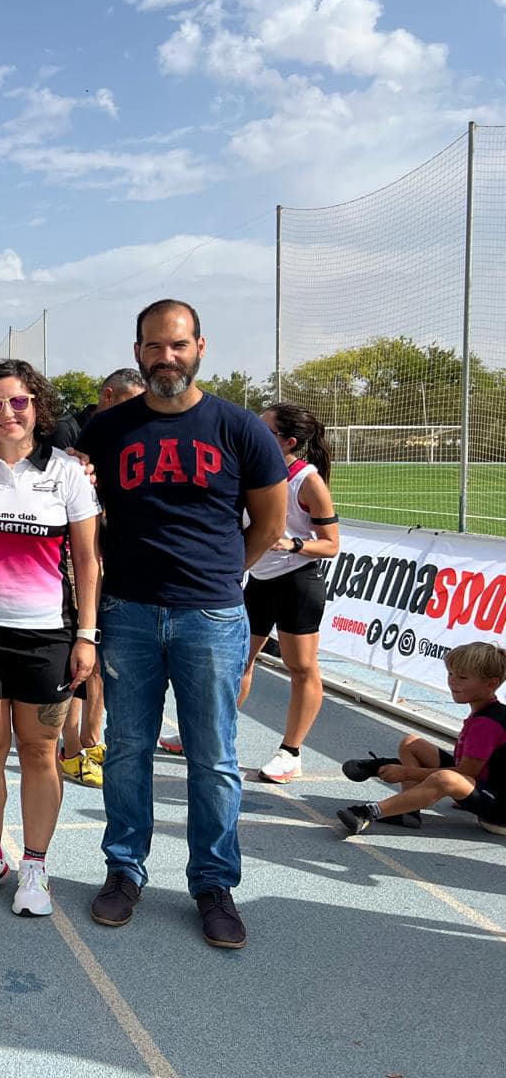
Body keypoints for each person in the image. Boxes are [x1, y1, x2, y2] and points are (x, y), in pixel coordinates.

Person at [75, 299, 286, 949]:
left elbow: (270, 525)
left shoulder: (238, 428)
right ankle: (124, 870)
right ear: (139, 351)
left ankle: (214, 883)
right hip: (129, 614)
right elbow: (78, 500)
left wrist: (221, 577)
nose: (166, 357)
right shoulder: (108, 432)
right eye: (154, 346)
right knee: (129, 749)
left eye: (178, 345)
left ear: (200, 347)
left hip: (212, 616)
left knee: (214, 759)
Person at [0, 360, 100, 917]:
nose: (7, 412)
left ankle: (34, 863)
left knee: (39, 752)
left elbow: (87, 559)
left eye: (19, 402)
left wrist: (86, 634)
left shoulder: (67, 473)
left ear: (38, 407)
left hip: (46, 638)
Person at [233, 403, 340, 783]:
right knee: (237, 662)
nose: (254, 435)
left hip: (297, 582)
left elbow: (331, 545)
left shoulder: (307, 479)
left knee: (302, 668)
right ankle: (217, 732)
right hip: (259, 580)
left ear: (288, 441)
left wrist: (293, 544)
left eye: (265, 431)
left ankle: (291, 752)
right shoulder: (250, 470)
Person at [59, 367, 146, 788]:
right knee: (81, 658)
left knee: (104, 659)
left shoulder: (130, 434)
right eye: (132, 403)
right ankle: (72, 748)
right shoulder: (67, 432)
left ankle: (92, 741)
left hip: (110, 556)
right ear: (108, 396)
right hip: (69, 558)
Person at [337, 642, 506, 837]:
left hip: (499, 813)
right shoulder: (486, 714)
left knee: (446, 779)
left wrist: (406, 772)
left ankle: (369, 812)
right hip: (487, 787)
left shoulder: (487, 724)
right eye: (450, 674)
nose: (452, 682)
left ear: (491, 684)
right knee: (411, 743)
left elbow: (465, 772)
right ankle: (407, 811)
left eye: (462, 677)